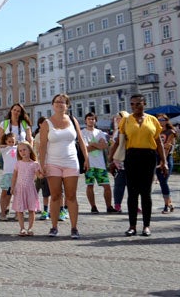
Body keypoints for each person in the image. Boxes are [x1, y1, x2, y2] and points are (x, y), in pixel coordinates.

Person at [109, 94, 165, 237]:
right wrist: (111, 160)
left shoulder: (152, 120)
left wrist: (163, 161)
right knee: (132, 193)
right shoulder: (126, 120)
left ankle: (146, 225)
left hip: (149, 156)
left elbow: (158, 142)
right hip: (132, 156)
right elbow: (118, 142)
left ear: (144, 104)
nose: (135, 107)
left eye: (138, 104)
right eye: (132, 104)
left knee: (146, 193)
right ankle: (132, 225)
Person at [38, 93, 88, 239]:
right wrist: (42, 165)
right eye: (57, 102)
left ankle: (74, 228)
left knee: (71, 196)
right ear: (53, 105)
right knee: (55, 196)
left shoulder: (73, 120)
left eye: (63, 102)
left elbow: (81, 139)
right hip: (53, 162)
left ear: (67, 105)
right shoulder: (47, 123)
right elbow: (42, 146)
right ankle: (54, 227)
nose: (60, 104)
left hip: (71, 161)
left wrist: (86, 158)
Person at [82, 112, 116, 213]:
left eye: (93, 119)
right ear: (85, 120)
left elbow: (104, 146)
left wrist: (92, 144)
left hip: (100, 164)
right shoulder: (82, 132)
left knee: (107, 186)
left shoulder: (100, 132)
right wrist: (97, 144)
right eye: (89, 119)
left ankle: (109, 206)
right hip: (89, 163)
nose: (91, 121)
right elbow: (85, 149)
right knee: (90, 185)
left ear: (95, 121)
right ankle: (93, 206)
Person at [11, 141, 43, 236]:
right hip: (20, 189)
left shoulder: (34, 164)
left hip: (30, 189)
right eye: (20, 151)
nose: (22, 152)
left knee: (31, 209)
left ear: (29, 150)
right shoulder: (18, 163)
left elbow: (39, 176)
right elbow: (14, 176)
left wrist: (43, 168)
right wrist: (12, 187)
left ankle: (30, 228)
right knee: (20, 210)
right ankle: (22, 228)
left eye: (24, 149)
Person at [156, 114, 177, 213]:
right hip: (156, 157)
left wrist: (163, 161)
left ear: (167, 120)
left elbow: (167, 147)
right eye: (158, 119)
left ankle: (167, 205)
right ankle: (169, 203)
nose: (160, 121)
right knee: (162, 182)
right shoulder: (156, 131)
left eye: (163, 119)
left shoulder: (170, 132)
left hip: (167, 158)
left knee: (164, 181)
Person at [109, 111, 129, 213]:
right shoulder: (117, 131)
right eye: (116, 119)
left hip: (130, 159)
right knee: (119, 183)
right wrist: (111, 159)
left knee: (132, 185)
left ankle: (134, 204)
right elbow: (113, 146)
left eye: (119, 118)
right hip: (119, 161)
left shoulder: (128, 129)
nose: (117, 120)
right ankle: (117, 204)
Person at [0, 132, 18, 220]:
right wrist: (4, 146)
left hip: (17, 173)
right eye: (9, 141)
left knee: (17, 194)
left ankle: (18, 213)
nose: (11, 143)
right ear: (6, 141)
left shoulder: (18, 148)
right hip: (7, 173)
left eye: (13, 141)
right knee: (5, 193)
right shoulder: (4, 149)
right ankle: (3, 213)